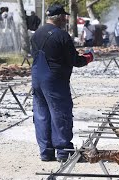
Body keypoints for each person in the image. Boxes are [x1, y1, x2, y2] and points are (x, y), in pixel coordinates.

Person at [30, 4, 94, 162]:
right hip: (54, 79)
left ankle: (46, 152)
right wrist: (89, 57)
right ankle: (64, 151)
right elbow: (74, 60)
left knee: (41, 114)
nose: (66, 19)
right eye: (65, 16)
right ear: (59, 17)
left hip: (37, 77)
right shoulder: (62, 35)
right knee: (60, 113)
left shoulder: (36, 34)